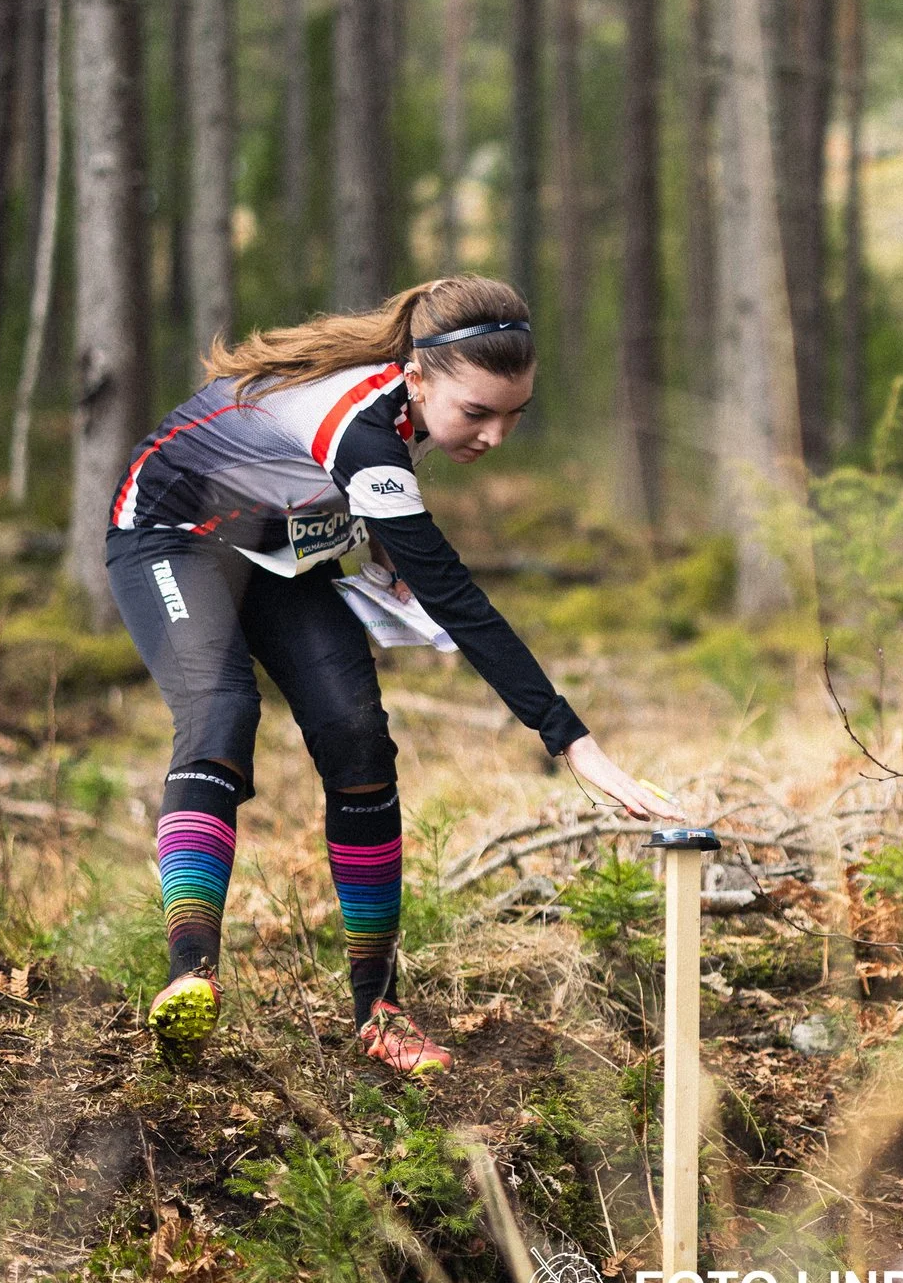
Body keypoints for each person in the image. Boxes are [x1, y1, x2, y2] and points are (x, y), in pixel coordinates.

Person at [103, 274, 682, 1072]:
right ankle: (189, 973)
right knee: (221, 712)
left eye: (515, 414)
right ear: (417, 377)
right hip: (170, 533)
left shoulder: (404, 403)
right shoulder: (364, 424)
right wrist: (572, 740)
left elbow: (344, 480)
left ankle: (378, 1008)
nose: (494, 436)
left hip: (277, 544)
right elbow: (456, 597)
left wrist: (373, 538)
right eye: (477, 413)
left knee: (357, 739)